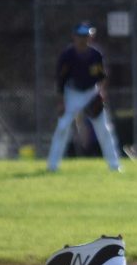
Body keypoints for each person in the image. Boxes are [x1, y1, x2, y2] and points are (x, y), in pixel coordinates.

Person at [46, 22, 122, 173]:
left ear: (91, 37)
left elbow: (102, 77)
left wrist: (101, 93)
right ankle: (52, 166)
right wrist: (61, 102)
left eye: (86, 36)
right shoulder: (67, 55)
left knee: (104, 129)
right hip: (72, 93)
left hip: (91, 92)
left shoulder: (95, 55)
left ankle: (114, 165)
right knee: (62, 128)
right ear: (74, 37)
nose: (83, 39)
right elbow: (60, 80)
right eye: (80, 36)